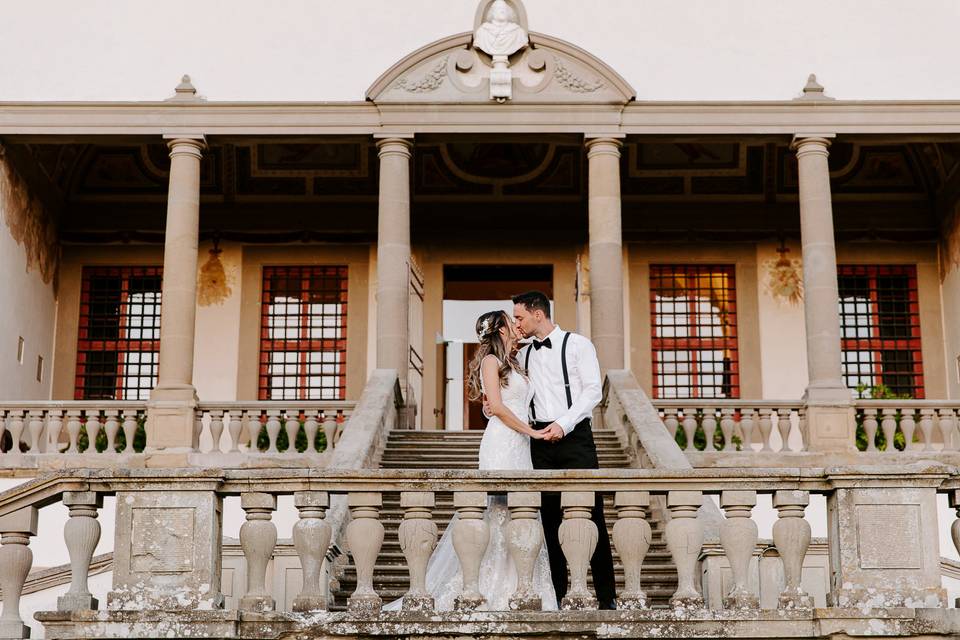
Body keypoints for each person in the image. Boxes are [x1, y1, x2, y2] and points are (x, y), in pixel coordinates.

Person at [385, 310, 556, 611]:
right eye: (511, 321)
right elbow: (499, 409)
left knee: (522, 512)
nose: (517, 325)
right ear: (501, 329)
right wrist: (533, 431)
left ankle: (519, 582)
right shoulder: (491, 362)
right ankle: (492, 586)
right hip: (503, 442)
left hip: (521, 445)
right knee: (498, 512)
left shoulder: (514, 361)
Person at [511, 290, 617, 610]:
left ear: (538, 314)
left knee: (592, 514)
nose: (516, 323)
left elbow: (592, 392)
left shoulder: (579, 344)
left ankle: (606, 596)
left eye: (519, 317)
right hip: (538, 441)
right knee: (548, 520)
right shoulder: (524, 353)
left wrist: (564, 423)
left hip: (575, 438)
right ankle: (556, 596)